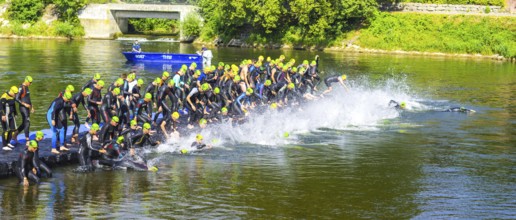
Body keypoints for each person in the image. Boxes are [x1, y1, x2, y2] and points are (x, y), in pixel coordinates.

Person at [14, 76, 34, 144]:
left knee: (24, 123)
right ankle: (27, 139)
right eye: (30, 82)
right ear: (26, 81)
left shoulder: (27, 87)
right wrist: (24, 104)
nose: (31, 84)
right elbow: (16, 98)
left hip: (27, 108)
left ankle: (15, 134)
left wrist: (32, 107)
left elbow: (28, 98)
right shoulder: (21, 87)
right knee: (27, 122)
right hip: (23, 108)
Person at [1, 86, 19, 150]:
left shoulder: (13, 97)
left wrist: (15, 113)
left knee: (13, 129)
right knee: (6, 130)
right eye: (15, 93)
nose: (15, 94)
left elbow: (14, 105)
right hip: (5, 115)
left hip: (11, 115)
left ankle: (8, 142)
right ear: (11, 91)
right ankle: (4, 145)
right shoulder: (4, 97)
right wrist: (3, 115)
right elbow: (1, 106)